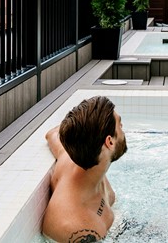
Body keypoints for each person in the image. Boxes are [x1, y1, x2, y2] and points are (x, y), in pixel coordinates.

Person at [42, 96, 127, 243]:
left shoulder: (72, 157)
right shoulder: (76, 228)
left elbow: (52, 134)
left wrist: (83, 122)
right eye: (120, 125)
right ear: (109, 142)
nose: (123, 128)